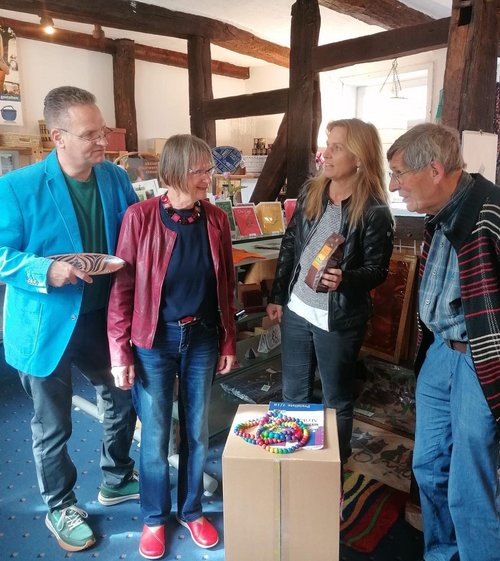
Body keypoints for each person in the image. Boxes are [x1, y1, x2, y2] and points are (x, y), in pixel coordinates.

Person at [0, 86, 139, 552]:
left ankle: (117, 477)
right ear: (58, 136)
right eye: (91, 135)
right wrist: (46, 270)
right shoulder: (16, 187)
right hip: (45, 324)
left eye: (103, 132)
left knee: (122, 401)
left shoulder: (116, 179)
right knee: (53, 425)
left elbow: (132, 236)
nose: (103, 143)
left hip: (105, 318)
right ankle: (60, 504)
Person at [107, 133, 238, 560]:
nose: (208, 177)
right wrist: (120, 351)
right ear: (176, 171)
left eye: (208, 169)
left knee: (198, 432)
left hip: (201, 338)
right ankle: (153, 518)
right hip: (153, 341)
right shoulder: (139, 217)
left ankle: (191, 510)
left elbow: (226, 287)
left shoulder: (216, 219)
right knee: (157, 436)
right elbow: (122, 289)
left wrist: (228, 339)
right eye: (200, 170)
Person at [387, 123, 500, 561]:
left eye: (399, 174)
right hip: (439, 354)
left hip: (478, 361)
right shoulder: (441, 214)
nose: (394, 186)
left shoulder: (490, 211)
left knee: (469, 486)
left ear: (434, 169)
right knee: (429, 468)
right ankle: (442, 554)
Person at [266, 118, 394, 469]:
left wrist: (346, 279)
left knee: (336, 400)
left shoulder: (374, 211)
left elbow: (377, 271)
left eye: (336, 147)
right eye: (327, 144)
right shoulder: (312, 191)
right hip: (297, 309)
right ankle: (297, 465)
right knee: (294, 394)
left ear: (359, 156)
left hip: (337, 317)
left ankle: (332, 470)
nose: (325, 153)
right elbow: (291, 243)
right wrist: (279, 295)